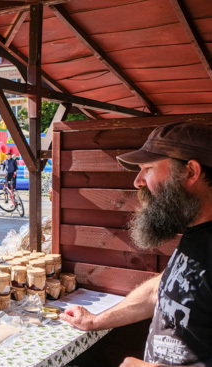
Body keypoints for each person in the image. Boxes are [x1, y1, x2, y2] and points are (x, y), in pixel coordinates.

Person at [61, 122, 212, 366]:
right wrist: (95, 321)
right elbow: (161, 289)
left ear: (190, 172)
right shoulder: (197, 235)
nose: (138, 182)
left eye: (149, 168)